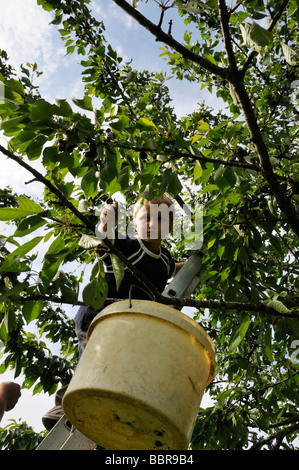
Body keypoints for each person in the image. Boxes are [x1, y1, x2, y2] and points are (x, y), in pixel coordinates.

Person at [42, 194, 185, 431]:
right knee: (94, 362)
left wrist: (195, 264)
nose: (152, 224)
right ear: (135, 223)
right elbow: (104, 239)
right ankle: (67, 408)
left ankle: (74, 403)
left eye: (160, 219)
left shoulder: (164, 260)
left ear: (170, 227)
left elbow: (174, 269)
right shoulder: (128, 246)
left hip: (123, 327)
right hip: (97, 316)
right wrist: (106, 221)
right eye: (146, 218)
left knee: (116, 367)